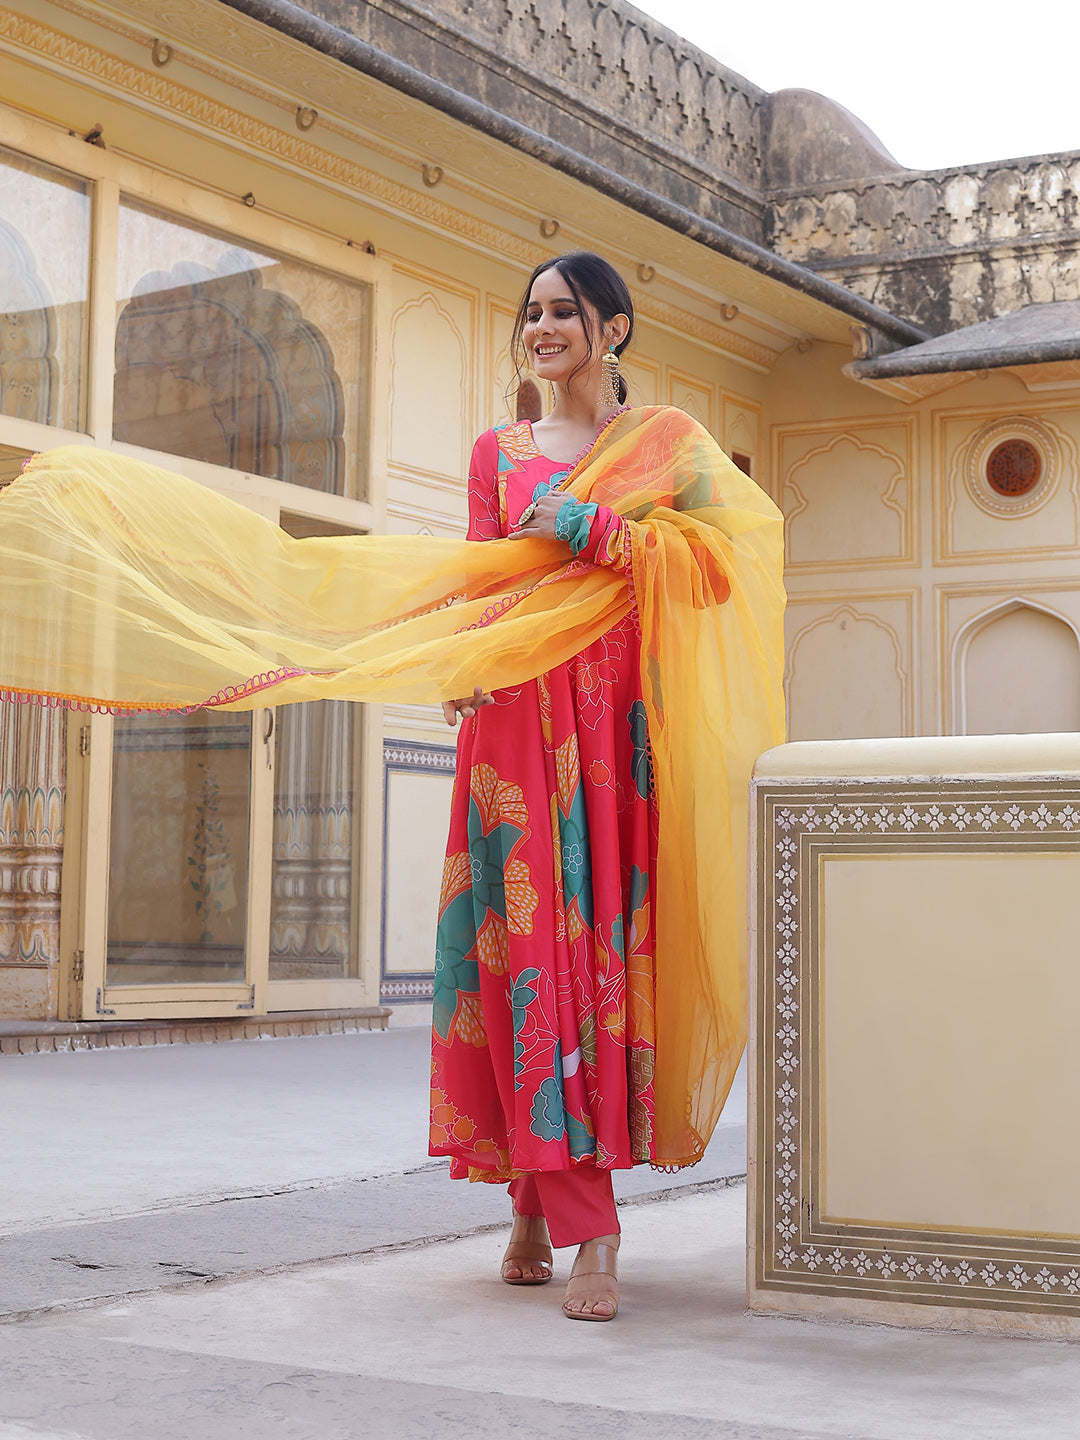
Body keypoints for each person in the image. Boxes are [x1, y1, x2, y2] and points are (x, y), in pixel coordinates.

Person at [428, 252, 781, 1321]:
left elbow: (734, 559)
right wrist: (464, 659)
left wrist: (601, 532)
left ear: (613, 328)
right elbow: (485, 576)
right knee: (523, 956)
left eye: (562, 312)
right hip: (511, 734)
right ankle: (587, 1225)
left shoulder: (667, 444)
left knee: (595, 966)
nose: (540, 329)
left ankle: (545, 1208)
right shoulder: (500, 452)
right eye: (529, 313)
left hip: (616, 736)